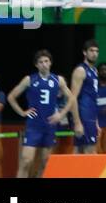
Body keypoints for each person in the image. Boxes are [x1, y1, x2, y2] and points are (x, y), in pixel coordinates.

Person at [8, 50, 75, 178]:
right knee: (26, 161)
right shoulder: (29, 79)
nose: (44, 64)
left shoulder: (58, 80)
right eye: (41, 62)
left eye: (46, 61)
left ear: (50, 63)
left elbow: (71, 98)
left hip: (49, 126)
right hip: (34, 126)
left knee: (46, 163)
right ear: (36, 65)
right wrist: (22, 112)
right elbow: (11, 96)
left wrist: (61, 114)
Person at [69, 40, 101, 154]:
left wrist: (96, 122)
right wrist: (77, 122)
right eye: (91, 51)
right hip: (83, 116)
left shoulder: (94, 71)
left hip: (91, 116)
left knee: (78, 150)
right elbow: (72, 98)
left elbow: (93, 98)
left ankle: (72, 172)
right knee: (91, 152)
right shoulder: (80, 70)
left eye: (97, 51)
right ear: (84, 52)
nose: (94, 54)